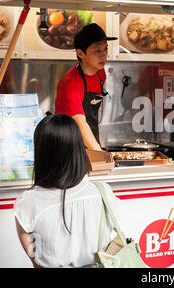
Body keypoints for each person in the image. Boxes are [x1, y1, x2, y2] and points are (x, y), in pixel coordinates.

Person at [13, 113, 121, 268]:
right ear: (78, 149)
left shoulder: (29, 202)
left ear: (41, 153)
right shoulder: (103, 192)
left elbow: (36, 260)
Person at [55, 23, 117, 150]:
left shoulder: (100, 73)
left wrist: (101, 146)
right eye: (97, 51)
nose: (103, 55)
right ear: (80, 53)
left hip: (90, 145)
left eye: (105, 49)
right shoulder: (71, 83)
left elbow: (91, 120)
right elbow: (81, 124)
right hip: (69, 148)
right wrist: (100, 154)